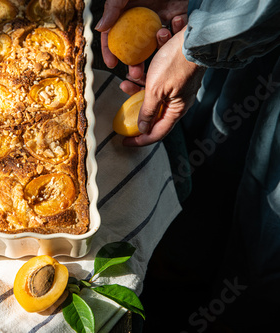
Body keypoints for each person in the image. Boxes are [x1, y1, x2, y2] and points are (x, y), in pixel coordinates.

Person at [96, 0, 280, 332]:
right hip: (231, 31)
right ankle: (179, 282)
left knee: (264, 235)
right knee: (213, 173)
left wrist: (195, 45)